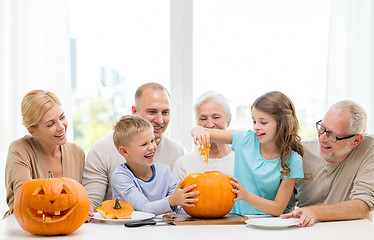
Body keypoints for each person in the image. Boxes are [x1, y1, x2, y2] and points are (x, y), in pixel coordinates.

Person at [192, 91, 304, 216]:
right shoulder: (245, 140)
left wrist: (245, 195)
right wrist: (197, 130)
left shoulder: (293, 160)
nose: (256, 127)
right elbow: (202, 131)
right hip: (237, 221)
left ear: (282, 124)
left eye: (263, 122)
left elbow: (278, 208)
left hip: (269, 224)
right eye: (254, 121)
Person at [82, 82, 186, 213]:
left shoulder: (176, 153)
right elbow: (91, 204)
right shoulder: (102, 151)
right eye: (152, 112)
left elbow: (182, 202)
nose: (160, 120)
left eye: (165, 112)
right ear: (134, 111)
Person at [281, 100, 374, 227]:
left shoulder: (369, 149)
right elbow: (283, 206)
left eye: (333, 135)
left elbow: (362, 206)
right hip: (306, 231)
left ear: (356, 140)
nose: (322, 138)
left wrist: (313, 212)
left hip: (350, 232)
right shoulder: (301, 153)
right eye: (322, 128)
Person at [4, 90, 85, 218]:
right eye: (51, 124)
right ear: (32, 131)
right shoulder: (19, 149)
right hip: (24, 231)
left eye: (62, 117)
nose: (61, 127)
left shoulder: (77, 153)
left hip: (68, 231)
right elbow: (24, 200)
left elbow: (82, 201)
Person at [110, 115, 198, 215]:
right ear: (125, 151)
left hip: (162, 229)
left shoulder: (165, 172)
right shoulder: (120, 177)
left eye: (152, 141)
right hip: (130, 230)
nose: (152, 147)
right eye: (144, 144)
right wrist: (171, 200)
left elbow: (179, 207)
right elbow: (144, 208)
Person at [173, 91, 234, 181]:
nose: (210, 124)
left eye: (216, 117)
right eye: (203, 118)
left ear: (228, 121)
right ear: (197, 123)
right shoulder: (183, 164)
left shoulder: (241, 162)